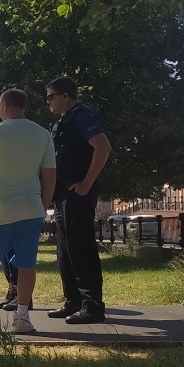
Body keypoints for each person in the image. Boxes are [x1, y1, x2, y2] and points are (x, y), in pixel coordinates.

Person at [0, 88, 56, 334]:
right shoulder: (43, 134)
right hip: (31, 207)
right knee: (27, 263)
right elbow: (49, 176)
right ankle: (23, 316)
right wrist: (43, 206)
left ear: (5, 106)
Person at [45, 75, 112, 324]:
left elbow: (103, 147)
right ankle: (73, 301)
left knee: (81, 248)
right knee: (65, 249)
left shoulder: (82, 116)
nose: (48, 102)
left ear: (65, 96)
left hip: (77, 193)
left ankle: (92, 306)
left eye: (50, 97)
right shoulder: (66, 120)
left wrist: (86, 183)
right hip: (63, 192)